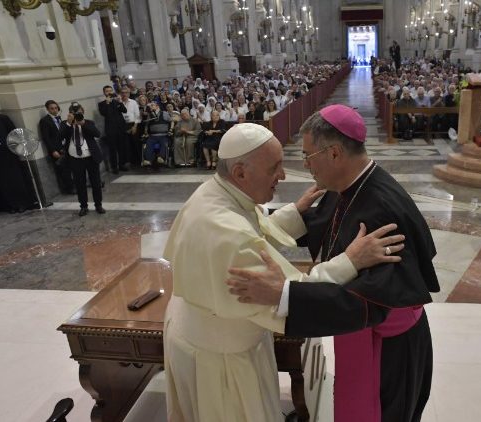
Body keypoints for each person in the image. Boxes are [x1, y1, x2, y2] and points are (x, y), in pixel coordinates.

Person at [162, 123, 403, 422]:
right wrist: (350, 260)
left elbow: (254, 227)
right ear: (240, 173)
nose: (284, 176)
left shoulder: (216, 192)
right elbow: (287, 295)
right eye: (274, 168)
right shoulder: (226, 231)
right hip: (222, 359)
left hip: (202, 331)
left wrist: (295, 211)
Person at [227, 105, 439, 422]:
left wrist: (284, 295)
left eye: (308, 155)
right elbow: (322, 225)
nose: (305, 165)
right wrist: (272, 222)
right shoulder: (350, 186)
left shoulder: (380, 209)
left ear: (335, 153)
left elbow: (364, 302)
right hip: (372, 339)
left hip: (390, 351)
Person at [59, 103, 105, 217]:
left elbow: (97, 134)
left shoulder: (88, 122)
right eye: (74, 113)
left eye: (79, 112)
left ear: (83, 112)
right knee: (80, 184)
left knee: (96, 183)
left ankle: (98, 205)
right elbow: (59, 137)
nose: (77, 115)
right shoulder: (65, 125)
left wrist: (83, 123)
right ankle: (83, 206)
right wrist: (69, 124)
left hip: (91, 158)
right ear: (70, 113)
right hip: (75, 159)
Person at [38, 100, 74, 194]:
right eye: (52, 108)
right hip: (56, 149)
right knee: (63, 170)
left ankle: (73, 186)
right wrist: (53, 150)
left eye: (56, 108)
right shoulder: (45, 121)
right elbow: (46, 138)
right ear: (48, 109)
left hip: (64, 147)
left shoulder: (59, 118)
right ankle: (68, 189)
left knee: (69, 168)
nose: (54, 110)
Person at [98, 85, 128, 174]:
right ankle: (114, 167)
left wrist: (120, 102)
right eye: (107, 91)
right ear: (104, 93)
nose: (109, 92)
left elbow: (124, 110)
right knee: (112, 149)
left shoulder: (117, 101)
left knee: (121, 147)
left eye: (110, 90)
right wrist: (107, 103)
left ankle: (122, 164)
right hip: (110, 130)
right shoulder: (102, 104)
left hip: (120, 128)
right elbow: (104, 113)